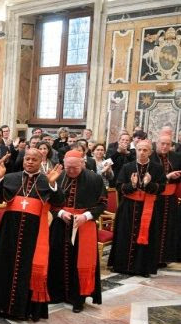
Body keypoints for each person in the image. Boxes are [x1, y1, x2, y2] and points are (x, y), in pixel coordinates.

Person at [0, 149, 63, 322]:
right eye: (27, 159)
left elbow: (58, 202)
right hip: (9, 231)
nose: (30, 162)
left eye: (34, 159)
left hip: (33, 234)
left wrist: (53, 185)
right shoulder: (11, 177)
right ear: (23, 160)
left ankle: (23, 309)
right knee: (2, 267)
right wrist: (0, 178)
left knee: (26, 269)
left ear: (41, 161)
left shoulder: (46, 180)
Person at [48, 150, 106, 314]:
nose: (71, 171)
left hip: (84, 226)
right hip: (61, 225)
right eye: (68, 167)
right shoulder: (58, 177)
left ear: (82, 163)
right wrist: (60, 213)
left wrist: (86, 216)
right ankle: (56, 294)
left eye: (75, 167)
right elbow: (49, 203)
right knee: (56, 259)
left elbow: (102, 204)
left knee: (79, 262)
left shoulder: (95, 179)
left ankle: (78, 299)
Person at [109, 141, 165, 277]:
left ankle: (142, 268)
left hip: (149, 208)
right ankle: (122, 266)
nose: (142, 152)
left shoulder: (157, 168)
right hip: (128, 207)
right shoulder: (127, 167)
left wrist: (149, 184)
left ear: (150, 152)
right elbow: (119, 186)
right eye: (139, 149)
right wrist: (132, 185)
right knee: (124, 235)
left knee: (148, 237)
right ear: (136, 151)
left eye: (145, 150)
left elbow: (162, 187)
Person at [150, 134, 181, 267]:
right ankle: (153, 258)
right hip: (156, 198)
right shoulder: (150, 157)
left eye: (168, 144)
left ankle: (164, 258)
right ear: (157, 143)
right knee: (155, 227)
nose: (164, 146)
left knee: (168, 228)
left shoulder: (176, 157)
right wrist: (167, 176)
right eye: (162, 143)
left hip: (171, 198)